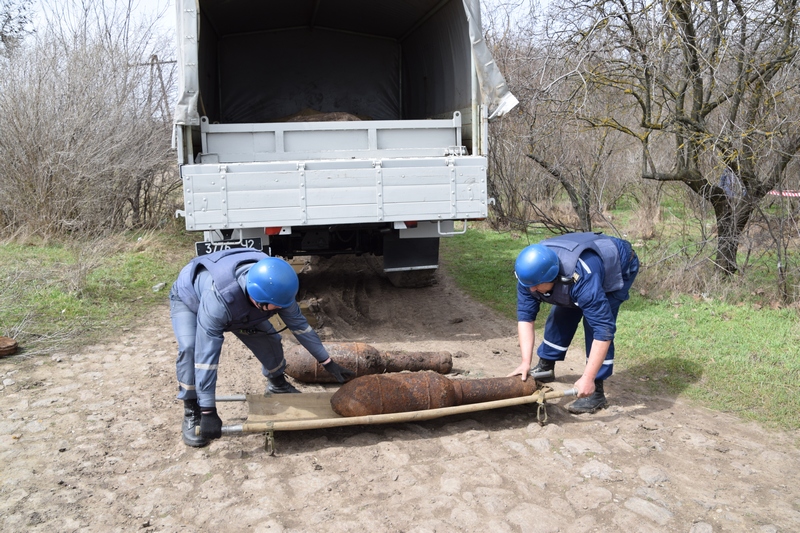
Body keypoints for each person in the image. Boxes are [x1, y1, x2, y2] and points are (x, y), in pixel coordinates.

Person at [169, 249, 355, 447]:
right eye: (274, 306)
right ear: (257, 298)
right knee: (190, 349)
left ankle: (277, 384)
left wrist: (327, 361)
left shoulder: (277, 289)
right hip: (191, 300)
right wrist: (208, 410)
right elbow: (207, 357)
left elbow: (301, 327)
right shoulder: (220, 300)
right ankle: (191, 410)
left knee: (271, 339)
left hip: (241, 305)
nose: (280, 310)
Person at [507, 232, 639, 414]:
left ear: (551, 276)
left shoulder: (582, 279)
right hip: (579, 272)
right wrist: (524, 362)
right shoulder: (530, 276)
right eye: (529, 285)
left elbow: (603, 330)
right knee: (562, 312)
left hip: (618, 266)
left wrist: (588, 377)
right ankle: (546, 365)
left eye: (536, 286)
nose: (532, 290)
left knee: (594, 324)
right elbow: (526, 318)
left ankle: (596, 391)